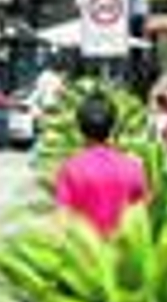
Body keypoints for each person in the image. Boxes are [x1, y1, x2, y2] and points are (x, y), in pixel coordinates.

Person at [55, 94, 148, 237]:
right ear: (112, 128)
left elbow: (63, 223)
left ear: (80, 128)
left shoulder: (70, 169)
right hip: (123, 249)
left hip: (84, 249)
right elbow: (142, 219)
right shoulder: (133, 167)